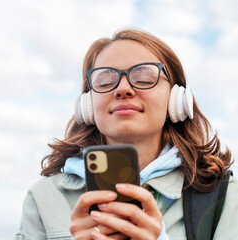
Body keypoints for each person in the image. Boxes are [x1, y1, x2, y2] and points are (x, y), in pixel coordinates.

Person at [15, 29, 237, 240]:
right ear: (87, 105)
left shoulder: (226, 196)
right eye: (105, 81)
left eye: (144, 77)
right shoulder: (44, 198)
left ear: (176, 99)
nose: (122, 88)